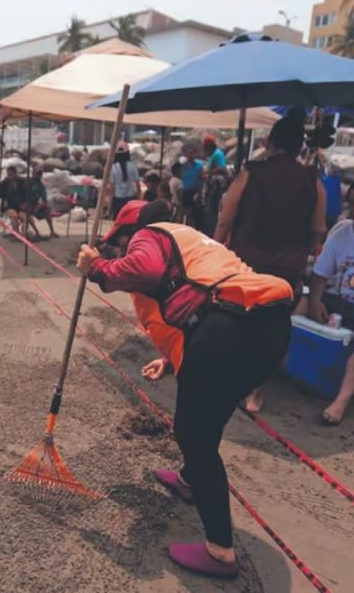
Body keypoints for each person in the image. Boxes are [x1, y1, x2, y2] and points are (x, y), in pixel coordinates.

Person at [77, 200, 293, 579]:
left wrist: (95, 267)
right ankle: (192, 481)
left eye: (120, 242)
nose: (121, 249)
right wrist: (172, 358)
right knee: (208, 415)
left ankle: (220, 552)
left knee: (194, 435)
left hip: (230, 330)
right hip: (268, 323)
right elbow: (194, 298)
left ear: (131, 232)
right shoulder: (191, 238)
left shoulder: (150, 234)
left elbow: (143, 268)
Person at [215, 110, 327, 413]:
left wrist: (213, 248)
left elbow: (226, 219)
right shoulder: (312, 180)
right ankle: (254, 393)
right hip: (285, 272)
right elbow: (318, 231)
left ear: (271, 142)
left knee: (238, 322)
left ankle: (228, 381)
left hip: (245, 265)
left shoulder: (251, 171)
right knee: (269, 330)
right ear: (298, 147)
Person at [308, 218, 354, 425]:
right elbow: (320, 274)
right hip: (338, 300)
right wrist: (314, 301)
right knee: (298, 305)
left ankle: (341, 401)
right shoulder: (343, 232)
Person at [201, 135, 228, 236]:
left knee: (213, 210)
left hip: (215, 188)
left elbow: (223, 168)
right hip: (211, 187)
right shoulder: (213, 155)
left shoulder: (217, 154)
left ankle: (213, 232)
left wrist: (209, 172)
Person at [109, 141, 141, 218]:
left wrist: (110, 206)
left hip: (118, 200)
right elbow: (137, 184)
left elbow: (112, 188)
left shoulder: (113, 168)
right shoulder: (133, 166)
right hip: (131, 199)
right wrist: (139, 198)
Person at [0, 166, 28, 234]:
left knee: (25, 218)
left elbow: (26, 194)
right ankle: (16, 233)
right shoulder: (4, 184)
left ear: (15, 174)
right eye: (8, 174)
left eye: (11, 174)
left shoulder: (22, 182)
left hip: (20, 207)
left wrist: (25, 203)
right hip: (10, 206)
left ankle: (24, 234)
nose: (9, 176)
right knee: (15, 216)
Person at [28, 168, 58, 238]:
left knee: (47, 210)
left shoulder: (41, 186)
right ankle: (36, 232)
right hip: (25, 204)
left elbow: (44, 201)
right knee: (27, 213)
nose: (39, 176)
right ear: (33, 174)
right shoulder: (27, 183)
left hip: (34, 204)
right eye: (37, 174)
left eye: (40, 174)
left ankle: (52, 231)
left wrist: (38, 207)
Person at [181, 145, 204, 227]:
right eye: (189, 153)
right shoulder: (182, 166)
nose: (191, 155)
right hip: (185, 191)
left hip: (195, 191)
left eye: (193, 153)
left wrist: (200, 193)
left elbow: (202, 179)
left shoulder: (199, 166)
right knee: (186, 211)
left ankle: (194, 226)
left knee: (194, 211)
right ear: (186, 154)